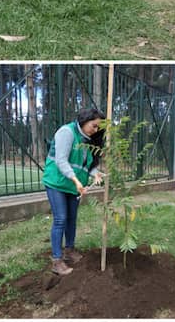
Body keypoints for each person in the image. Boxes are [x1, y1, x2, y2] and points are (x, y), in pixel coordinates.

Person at [42, 108, 105, 275]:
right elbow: (62, 161)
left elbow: (84, 165)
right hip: (57, 182)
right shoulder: (67, 132)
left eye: (98, 128)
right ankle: (57, 260)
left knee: (72, 219)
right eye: (94, 126)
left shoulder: (88, 140)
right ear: (84, 121)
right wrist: (76, 180)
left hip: (74, 186)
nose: (96, 130)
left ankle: (69, 251)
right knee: (60, 219)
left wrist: (95, 173)